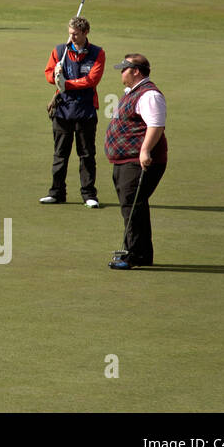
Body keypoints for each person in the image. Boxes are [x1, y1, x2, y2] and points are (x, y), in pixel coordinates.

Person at [106, 55, 167, 269]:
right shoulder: (133, 93)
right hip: (126, 160)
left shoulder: (149, 95)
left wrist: (145, 151)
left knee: (132, 206)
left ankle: (134, 255)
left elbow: (156, 125)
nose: (121, 72)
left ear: (136, 71)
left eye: (124, 69)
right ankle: (141, 254)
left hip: (140, 160)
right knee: (134, 205)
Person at [41, 17, 105, 207]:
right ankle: (56, 192)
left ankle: (89, 195)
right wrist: (56, 75)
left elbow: (91, 80)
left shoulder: (97, 53)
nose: (71, 37)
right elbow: (48, 75)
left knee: (86, 154)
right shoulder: (60, 50)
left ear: (85, 33)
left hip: (85, 110)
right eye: (69, 33)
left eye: (75, 34)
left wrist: (66, 84)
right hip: (62, 110)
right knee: (60, 154)